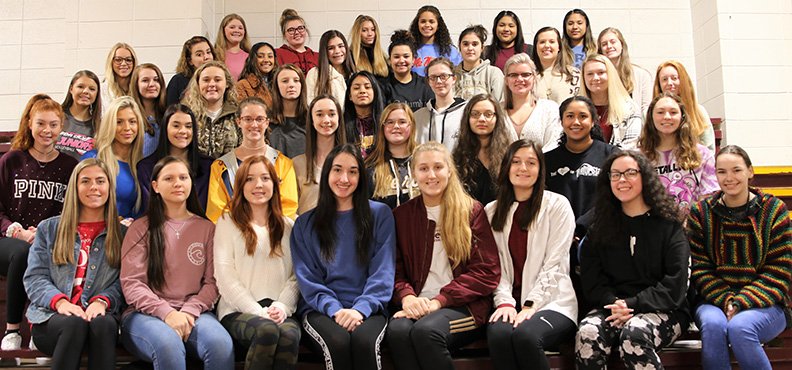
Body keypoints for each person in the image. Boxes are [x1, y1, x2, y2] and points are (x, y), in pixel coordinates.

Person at [388, 141, 500, 370]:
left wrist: (440, 301)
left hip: (463, 306)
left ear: (450, 170)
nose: (431, 175)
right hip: (418, 301)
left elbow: (486, 272)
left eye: (438, 167)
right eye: (423, 168)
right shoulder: (401, 215)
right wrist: (407, 297)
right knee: (397, 332)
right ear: (414, 173)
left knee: (426, 332)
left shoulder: (471, 210)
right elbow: (394, 270)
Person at [575, 151, 690, 369]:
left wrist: (632, 304)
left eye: (630, 173)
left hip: (664, 310)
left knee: (634, 334)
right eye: (615, 174)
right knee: (587, 332)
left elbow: (675, 283)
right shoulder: (599, 227)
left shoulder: (669, 226)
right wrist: (615, 303)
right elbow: (593, 282)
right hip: (612, 307)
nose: (622, 180)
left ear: (644, 177)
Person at [120, 156, 232, 370]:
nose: (177, 183)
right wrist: (167, 313)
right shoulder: (140, 228)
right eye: (169, 178)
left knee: (220, 345)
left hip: (194, 312)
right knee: (168, 345)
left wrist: (189, 311)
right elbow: (132, 284)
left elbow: (213, 282)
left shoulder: (207, 228)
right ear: (155, 186)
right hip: (144, 315)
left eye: (183, 177)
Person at [290, 143, 396, 370]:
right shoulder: (305, 223)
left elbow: (383, 271)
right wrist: (335, 309)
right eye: (337, 170)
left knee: (365, 342)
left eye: (353, 171)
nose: (344, 178)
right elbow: (308, 278)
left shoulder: (380, 215)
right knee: (337, 342)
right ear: (327, 173)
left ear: (361, 177)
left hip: (369, 308)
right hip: (321, 310)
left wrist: (360, 309)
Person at [688, 145, 792, 370]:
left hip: (767, 303)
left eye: (736, 170)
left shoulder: (774, 210)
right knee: (713, 325)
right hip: (713, 301)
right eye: (721, 172)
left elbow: (779, 270)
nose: (729, 178)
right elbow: (700, 270)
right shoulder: (701, 213)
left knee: (741, 328)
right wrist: (726, 300)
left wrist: (741, 302)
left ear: (750, 172)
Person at [486, 140, 578, 370]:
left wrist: (530, 305)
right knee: (498, 335)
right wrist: (504, 302)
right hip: (509, 302)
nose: (523, 168)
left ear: (540, 169)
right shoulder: (491, 211)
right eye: (516, 162)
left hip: (553, 303)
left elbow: (555, 265)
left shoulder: (557, 205)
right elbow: (493, 266)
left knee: (526, 336)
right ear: (506, 167)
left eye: (531, 162)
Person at [23, 158, 123, 370]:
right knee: (74, 323)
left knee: (104, 323)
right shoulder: (49, 229)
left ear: (109, 187)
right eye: (85, 181)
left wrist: (103, 301)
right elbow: (34, 278)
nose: (93, 187)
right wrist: (61, 303)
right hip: (53, 320)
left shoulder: (122, 234)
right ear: (75, 188)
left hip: (100, 321)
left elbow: (126, 281)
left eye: (100, 181)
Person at [0, 94, 78, 354]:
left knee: (48, 253)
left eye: (54, 125)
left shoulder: (69, 166)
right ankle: (13, 329)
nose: (47, 130)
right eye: (41, 123)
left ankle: (40, 327)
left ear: (61, 127)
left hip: (50, 238)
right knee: (23, 252)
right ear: (30, 124)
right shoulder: (11, 160)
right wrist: (17, 231)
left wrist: (44, 233)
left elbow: (71, 211)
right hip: (10, 238)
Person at [214, 156, 301, 370]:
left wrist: (282, 306)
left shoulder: (289, 226)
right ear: (241, 186)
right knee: (267, 331)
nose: (258, 185)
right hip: (237, 310)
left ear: (274, 184)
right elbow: (225, 277)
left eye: (265, 178)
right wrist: (256, 311)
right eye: (250, 179)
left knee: (289, 334)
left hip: (277, 309)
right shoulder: (227, 223)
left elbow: (296, 276)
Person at [206, 97, 298, 222]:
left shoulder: (283, 164)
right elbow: (217, 212)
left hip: (274, 234)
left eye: (260, 119)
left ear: (267, 122)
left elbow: (287, 208)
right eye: (248, 119)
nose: (254, 125)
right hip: (234, 236)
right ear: (239, 122)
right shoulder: (221, 166)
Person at [545, 96, 618, 230]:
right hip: (558, 234)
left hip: (601, 234)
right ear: (562, 122)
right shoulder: (547, 160)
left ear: (593, 122)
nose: (576, 122)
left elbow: (615, 197)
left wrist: (581, 226)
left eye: (583, 116)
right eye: (570, 116)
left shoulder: (612, 155)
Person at [639, 92, 718, 214]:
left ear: (682, 117)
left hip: (693, 227)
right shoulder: (639, 157)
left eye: (673, 112)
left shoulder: (702, 154)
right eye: (660, 112)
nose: (667, 117)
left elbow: (710, 196)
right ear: (651, 118)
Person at [137, 104, 214, 211]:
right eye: (176, 126)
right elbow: (149, 210)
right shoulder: (146, 168)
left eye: (188, 126)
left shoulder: (209, 167)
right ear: (165, 128)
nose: (183, 131)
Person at [82, 96, 145, 221]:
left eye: (132, 121)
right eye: (119, 122)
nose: (127, 128)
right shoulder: (94, 158)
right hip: (97, 233)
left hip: (128, 235)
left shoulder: (142, 165)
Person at [292, 95, 347, 214]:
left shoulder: (351, 162)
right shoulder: (297, 164)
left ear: (339, 118)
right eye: (319, 114)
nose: (326, 120)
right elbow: (291, 210)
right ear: (311, 120)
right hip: (307, 230)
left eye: (332, 114)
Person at [453, 94, 511, 205]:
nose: (481, 119)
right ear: (467, 118)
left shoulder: (508, 155)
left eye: (488, 114)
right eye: (475, 114)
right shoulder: (457, 158)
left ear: (497, 118)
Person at [579, 54, 642, 150]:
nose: (595, 78)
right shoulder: (575, 109)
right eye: (590, 74)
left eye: (601, 72)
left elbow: (630, 148)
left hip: (618, 163)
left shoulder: (629, 109)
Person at [365, 102, 420, 209]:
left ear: (411, 126)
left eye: (402, 122)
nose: (396, 126)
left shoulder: (424, 162)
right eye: (390, 122)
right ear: (383, 127)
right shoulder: (370, 167)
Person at [502, 53, 561, 150]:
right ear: (506, 80)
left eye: (525, 75)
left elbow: (552, 145)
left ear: (534, 77)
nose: (520, 79)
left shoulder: (550, 109)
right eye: (513, 75)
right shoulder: (496, 110)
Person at [654, 60, 716, 151]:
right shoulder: (649, 113)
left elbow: (709, 149)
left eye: (674, 78)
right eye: (664, 79)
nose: (669, 83)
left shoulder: (699, 111)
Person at [182, 60, 239, 159]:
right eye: (206, 80)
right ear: (198, 84)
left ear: (227, 84)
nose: (212, 84)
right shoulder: (187, 115)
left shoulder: (238, 114)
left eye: (217, 80)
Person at [414, 57, 467, 152]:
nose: (438, 81)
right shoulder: (418, 117)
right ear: (429, 81)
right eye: (433, 77)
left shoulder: (466, 112)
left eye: (443, 76)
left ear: (454, 79)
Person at [598, 27, 653, 114]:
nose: (609, 46)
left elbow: (646, 109)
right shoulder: (599, 77)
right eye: (604, 44)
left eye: (613, 42)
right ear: (600, 51)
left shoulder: (642, 75)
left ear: (622, 45)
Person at [379, 30, 434, 111]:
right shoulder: (382, 86)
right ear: (390, 60)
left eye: (406, 56)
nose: (401, 60)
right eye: (396, 57)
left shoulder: (425, 84)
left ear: (413, 60)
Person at [57, 70, 102, 159]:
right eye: (80, 86)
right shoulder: (56, 116)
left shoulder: (100, 126)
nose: (86, 91)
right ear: (71, 89)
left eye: (92, 89)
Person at [454, 25, 505, 101]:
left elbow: (499, 105)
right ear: (459, 47)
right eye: (465, 44)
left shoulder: (494, 73)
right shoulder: (451, 74)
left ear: (482, 48)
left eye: (475, 44)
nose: (470, 48)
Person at [531, 27, 580, 104]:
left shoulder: (574, 74)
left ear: (559, 47)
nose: (547, 45)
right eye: (542, 42)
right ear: (536, 47)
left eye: (552, 41)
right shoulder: (528, 76)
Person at [269, 64, 309, 158]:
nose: (291, 85)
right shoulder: (266, 120)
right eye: (285, 81)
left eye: (296, 80)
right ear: (277, 86)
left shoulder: (312, 119)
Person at [409, 5, 462, 76]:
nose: (427, 25)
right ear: (417, 24)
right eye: (423, 21)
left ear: (438, 26)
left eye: (431, 22)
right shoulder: (410, 48)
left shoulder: (449, 50)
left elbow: (457, 75)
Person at [305, 30, 355, 105]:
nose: (337, 51)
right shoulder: (314, 74)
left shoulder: (354, 74)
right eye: (331, 48)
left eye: (340, 46)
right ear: (324, 52)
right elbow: (309, 104)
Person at [344, 70, 385, 158]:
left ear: (375, 92)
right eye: (356, 88)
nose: (362, 91)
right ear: (350, 96)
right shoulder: (342, 124)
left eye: (367, 87)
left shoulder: (385, 122)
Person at [129, 63, 167, 157]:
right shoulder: (129, 115)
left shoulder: (168, 114)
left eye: (156, 80)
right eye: (145, 80)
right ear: (136, 85)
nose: (152, 84)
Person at [166, 36, 215, 106]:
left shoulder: (221, 77)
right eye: (199, 54)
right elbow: (170, 110)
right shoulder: (178, 80)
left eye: (208, 52)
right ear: (190, 61)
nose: (206, 57)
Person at [276, 9, 318, 74]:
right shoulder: (277, 54)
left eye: (300, 28)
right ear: (284, 35)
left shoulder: (318, 57)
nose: (297, 32)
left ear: (306, 30)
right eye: (291, 30)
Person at [214, 13, 251, 80]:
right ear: (223, 30)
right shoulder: (215, 55)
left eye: (240, 28)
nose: (237, 30)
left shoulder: (250, 57)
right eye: (232, 27)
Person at [101, 43, 138, 108]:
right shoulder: (102, 90)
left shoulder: (139, 88)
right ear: (111, 62)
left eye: (128, 60)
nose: (123, 63)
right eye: (118, 60)